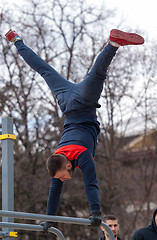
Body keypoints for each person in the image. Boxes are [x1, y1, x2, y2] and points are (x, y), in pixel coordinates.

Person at [5, 28, 144, 231]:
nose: (61, 181)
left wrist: (96, 212)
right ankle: (16, 40)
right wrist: (49, 219)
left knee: (97, 74)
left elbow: (91, 184)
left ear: (69, 166)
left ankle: (112, 44)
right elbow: (54, 192)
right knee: (44, 70)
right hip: (66, 101)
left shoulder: (82, 155)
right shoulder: (58, 157)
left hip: (84, 102)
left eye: (61, 176)